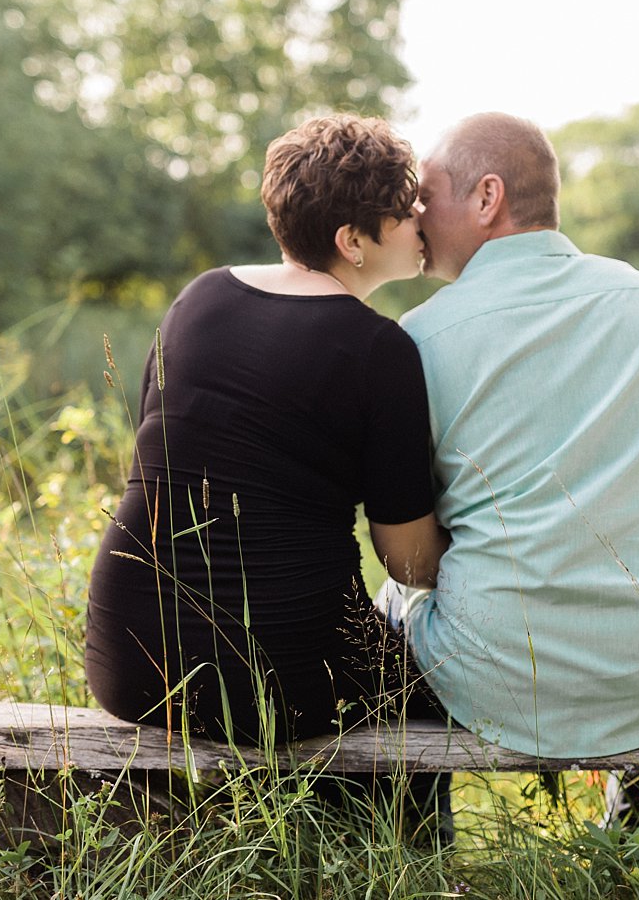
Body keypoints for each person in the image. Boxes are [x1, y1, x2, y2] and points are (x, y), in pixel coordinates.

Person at [381, 112, 639, 820]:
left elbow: (411, 557)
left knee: (390, 610)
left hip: (484, 677)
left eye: (426, 197)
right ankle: (631, 832)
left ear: (488, 198)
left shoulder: (419, 337)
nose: (413, 217)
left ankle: (421, 856)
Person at [86, 115, 449, 761]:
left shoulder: (199, 298)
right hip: (279, 678)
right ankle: (409, 857)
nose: (420, 215)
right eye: (402, 208)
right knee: (433, 697)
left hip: (128, 656)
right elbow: (410, 565)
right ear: (352, 240)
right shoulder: (380, 348)